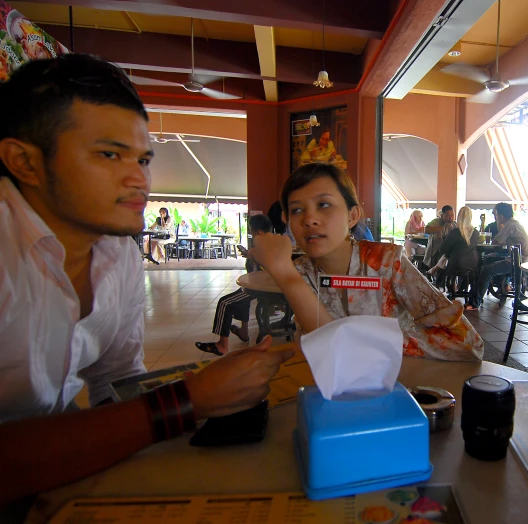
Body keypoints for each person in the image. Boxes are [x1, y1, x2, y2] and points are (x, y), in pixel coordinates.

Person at [0, 54, 294, 503]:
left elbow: (116, 383)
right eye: (109, 154)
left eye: (143, 159)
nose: (140, 179)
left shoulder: (116, 254)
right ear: (24, 162)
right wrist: (186, 401)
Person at [250, 162, 483, 361]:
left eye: (323, 205)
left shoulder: (386, 263)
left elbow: (469, 343)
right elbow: (324, 348)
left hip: (397, 392)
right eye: (297, 210)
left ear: (352, 216)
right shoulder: (301, 271)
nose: (309, 219)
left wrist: (377, 343)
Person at [195, 214, 273, 356]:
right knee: (241, 298)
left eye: (251, 231)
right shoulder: (269, 246)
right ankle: (243, 332)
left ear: (260, 233)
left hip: (261, 288)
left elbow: (265, 269)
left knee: (225, 303)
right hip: (256, 286)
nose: (250, 234)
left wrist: (253, 255)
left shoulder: (265, 249)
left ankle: (222, 345)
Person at [466, 202, 528, 310]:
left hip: (518, 263)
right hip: (521, 261)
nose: (494, 216)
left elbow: (496, 241)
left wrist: (497, 225)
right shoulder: (514, 224)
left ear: (501, 216)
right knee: (489, 260)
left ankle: (474, 303)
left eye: (495, 214)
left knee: (486, 270)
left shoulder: (510, 225)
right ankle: (501, 286)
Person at [434, 206, 479, 295]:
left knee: (444, 258)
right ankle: (460, 288)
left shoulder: (455, 232)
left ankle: (441, 287)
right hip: (473, 263)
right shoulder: (476, 233)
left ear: (459, 217)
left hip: (457, 263)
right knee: (448, 256)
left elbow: (443, 249)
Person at [422, 205, 455, 269]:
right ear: (442, 216)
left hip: (448, 253)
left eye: (452, 215)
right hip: (435, 253)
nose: (450, 218)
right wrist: (443, 228)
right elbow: (426, 230)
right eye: (447, 215)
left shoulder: (454, 224)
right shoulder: (437, 221)